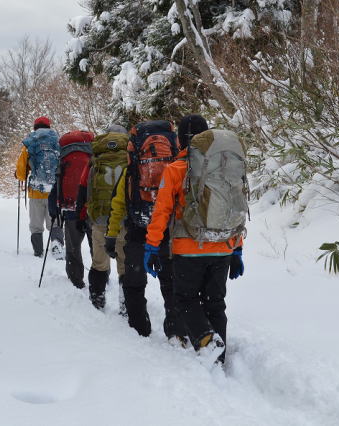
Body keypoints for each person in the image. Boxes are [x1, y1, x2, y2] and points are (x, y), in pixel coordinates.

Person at [144, 114, 247, 364]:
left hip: (188, 249)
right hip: (223, 247)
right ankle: (218, 359)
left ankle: (206, 340)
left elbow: (162, 212)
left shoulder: (176, 169)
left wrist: (151, 245)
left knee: (185, 298)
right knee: (215, 303)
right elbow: (235, 208)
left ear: (179, 141)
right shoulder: (227, 168)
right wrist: (237, 250)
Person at [105, 120, 185, 340]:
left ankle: (139, 327)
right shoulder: (176, 166)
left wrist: (112, 235)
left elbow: (119, 203)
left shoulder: (131, 170)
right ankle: (175, 329)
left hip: (138, 229)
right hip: (168, 229)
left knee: (134, 283)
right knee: (170, 282)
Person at [76, 124, 129, 310]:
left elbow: (83, 188)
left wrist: (81, 216)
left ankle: (97, 299)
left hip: (99, 220)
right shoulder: (130, 157)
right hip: (124, 219)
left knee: (99, 262)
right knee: (124, 263)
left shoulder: (95, 159)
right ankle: (125, 303)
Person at [48, 130, 94, 288]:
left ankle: (76, 278)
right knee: (96, 245)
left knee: (73, 246)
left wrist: (53, 211)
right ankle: (100, 277)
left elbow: (57, 184)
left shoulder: (64, 159)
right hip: (91, 207)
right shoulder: (93, 156)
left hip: (71, 207)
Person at [15, 116, 64, 257]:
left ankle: (38, 251)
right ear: (49, 127)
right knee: (55, 223)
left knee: (36, 225)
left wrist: (19, 175)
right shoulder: (58, 142)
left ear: (35, 127)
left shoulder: (30, 143)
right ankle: (57, 248)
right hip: (54, 191)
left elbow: (21, 171)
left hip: (36, 191)